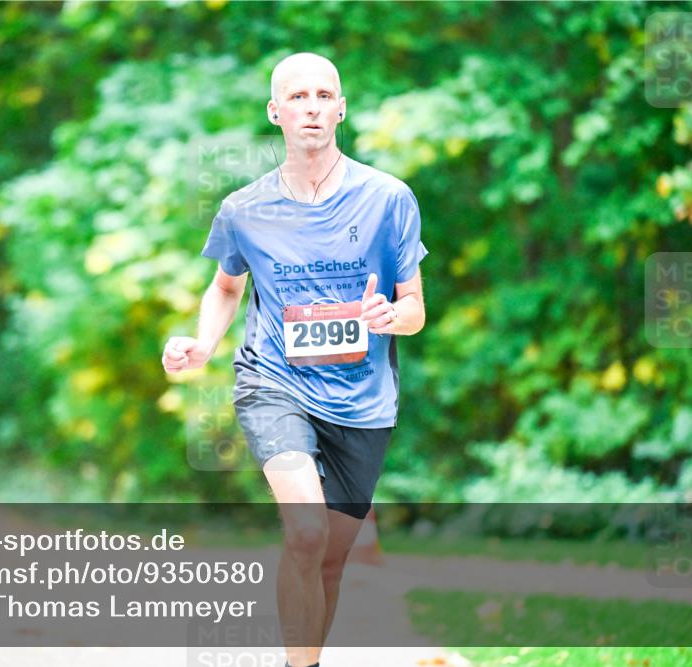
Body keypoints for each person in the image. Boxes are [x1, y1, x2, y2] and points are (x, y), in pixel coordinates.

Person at [162, 52, 427, 667]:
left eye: (323, 95)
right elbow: (227, 286)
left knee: (330, 558)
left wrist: (394, 316)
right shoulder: (244, 209)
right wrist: (202, 343)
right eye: (298, 96)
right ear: (275, 112)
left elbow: (414, 306)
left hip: (363, 400)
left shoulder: (389, 199)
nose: (311, 107)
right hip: (274, 381)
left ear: (341, 108)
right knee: (305, 534)